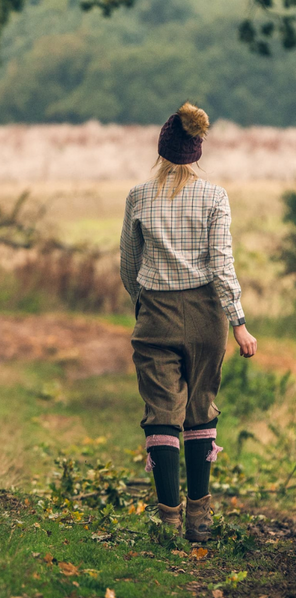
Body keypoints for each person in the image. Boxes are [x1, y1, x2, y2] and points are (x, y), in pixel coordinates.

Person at [120, 102, 257, 542]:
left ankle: (168, 520)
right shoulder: (215, 196)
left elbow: (128, 263)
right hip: (205, 319)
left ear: (162, 150)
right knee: (201, 412)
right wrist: (238, 321)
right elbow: (221, 264)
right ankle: (199, 518)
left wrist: (143, 303)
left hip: (154, 316)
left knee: (161, 415)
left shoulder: (138, 196)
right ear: (196, 151)